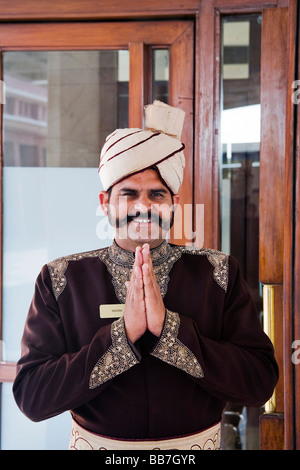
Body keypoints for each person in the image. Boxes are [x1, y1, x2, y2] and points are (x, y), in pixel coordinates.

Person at [13, 101, 278, 450]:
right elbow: (33, 396)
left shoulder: (218, 273)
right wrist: (121, 337)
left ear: (174, 203)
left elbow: (258, 383)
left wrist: (171, 331)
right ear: (105, 202)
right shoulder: (61, 279)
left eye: (156, 194)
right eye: (129, 194)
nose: (143, 206)